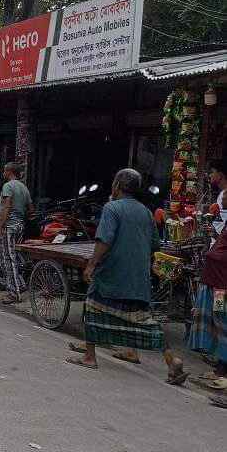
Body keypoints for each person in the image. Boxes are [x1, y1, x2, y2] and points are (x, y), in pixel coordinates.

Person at [66, 169, 187, 385]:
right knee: (145, 320)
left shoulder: (112, 208)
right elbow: (155, 245)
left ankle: (89, 357)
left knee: (92, 307)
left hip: (112, 273)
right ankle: (172, 360)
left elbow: (104, 240)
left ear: (117, 186)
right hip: (138, 277)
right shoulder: (146, 212)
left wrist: (91, 264)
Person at [188, 225, 227, 402]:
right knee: (218, 324)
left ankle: (222, 370)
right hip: (216, 284)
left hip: (222, 287)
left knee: (222, 325)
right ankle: (220, 368)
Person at [0, 162, 34, 303]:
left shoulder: (8, 186)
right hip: (19, 226)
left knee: (9, 259)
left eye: (4, 171)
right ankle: (20, 284)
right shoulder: (24, 187)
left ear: (10, 171)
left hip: (9, 227)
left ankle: (14, 293)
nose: (3, 173)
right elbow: (31, 209)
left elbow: (7, 206)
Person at [209, 160, 227, 234]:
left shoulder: (225, 196)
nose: (210, 175)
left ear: (220, 175)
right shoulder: (222, 194)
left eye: (212, 172)